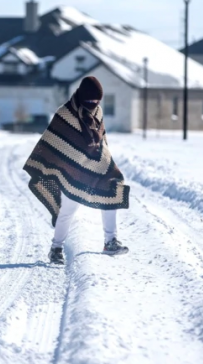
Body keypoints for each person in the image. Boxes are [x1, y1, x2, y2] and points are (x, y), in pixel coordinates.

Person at [23, 76, 130, 265]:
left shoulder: (98, 111)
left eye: (97, 101)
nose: (93, 104)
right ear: (82, 96)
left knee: (112, 192)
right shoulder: (65, 113)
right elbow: (53, 141)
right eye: (90, 100)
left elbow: (101, 140)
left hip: (97, 167)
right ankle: (56, 248)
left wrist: (104, 160)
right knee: (68, 211)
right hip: (72, 170)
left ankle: (110, 241)